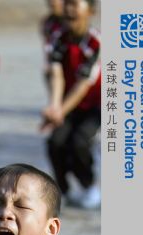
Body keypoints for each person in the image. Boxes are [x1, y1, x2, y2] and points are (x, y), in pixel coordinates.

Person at [41, 0, 101, 209]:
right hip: (68, 104)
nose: (68, 9)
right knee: (55, 143)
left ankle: (89, 185)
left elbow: (83, 84)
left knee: (79, 142)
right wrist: (55, 106)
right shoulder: (58, 38)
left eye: (75, 4)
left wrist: (59, 111)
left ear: (90, 11)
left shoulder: (96, 42)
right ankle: (63, 190)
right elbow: (56, 75)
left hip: (97, 105)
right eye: (66, 4)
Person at [40, 0, 65, 90]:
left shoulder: (70, 20)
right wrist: (47, 63)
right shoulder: (47, 22)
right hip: (54, 62)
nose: (52, 3)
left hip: (69, 61)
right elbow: (47, 45)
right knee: (48, 72)